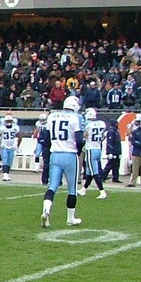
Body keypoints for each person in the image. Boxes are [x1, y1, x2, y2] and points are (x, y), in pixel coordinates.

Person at [40, 95, 84, 228]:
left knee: (52, 187)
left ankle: (46, 211)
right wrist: (77, 150)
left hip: (55, 154)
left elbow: (46, 139)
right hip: (70, 155)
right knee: (72, 189)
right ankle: (70, 218)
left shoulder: (52, 116)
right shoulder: (75, 118)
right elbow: (80, 139)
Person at [79, 107, 107, 198]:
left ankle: (102, 192)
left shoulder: (88, 125)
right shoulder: (101, 124)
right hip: (98, 149)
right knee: (89, 172)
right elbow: (102, 137)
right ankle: (84, 189)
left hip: (91, 149)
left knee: (94, 173)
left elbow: (85, 136)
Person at [0, 113, 21, 181]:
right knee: (5, 160)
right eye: (7, 121)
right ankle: (5, 175)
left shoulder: (15, 128)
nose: (9, 122)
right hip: (4, 146)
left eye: (10, 121)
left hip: (12, 146)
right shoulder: (2, 128)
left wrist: (17, 145)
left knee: (10, 161)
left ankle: (7, 174)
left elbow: (20, 136)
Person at [103, 117, 123, 183]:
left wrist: (119, 152)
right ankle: (102, 176)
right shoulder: (111, 132)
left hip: (117, 151)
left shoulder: (116, 131)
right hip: (112, 152)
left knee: (116, 166)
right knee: (109, 165)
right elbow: (110, 142)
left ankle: (115, 178)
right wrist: (110, 152)